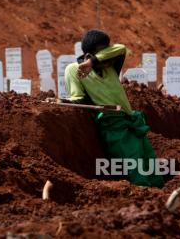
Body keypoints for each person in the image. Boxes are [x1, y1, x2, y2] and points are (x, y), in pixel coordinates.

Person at [62, 29, 164, 187]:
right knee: (134, 164)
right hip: (113, 125)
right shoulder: (74, 69)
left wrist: (92, 62)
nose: (108, 54)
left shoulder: (110, 67)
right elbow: (77, 98)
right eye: (104, 50)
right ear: (90, 52)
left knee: (150, 162)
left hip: (131, 120)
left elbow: (121, 49)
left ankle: (160, 194)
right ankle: (145, 198)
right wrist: (65, 101)